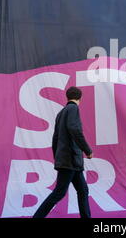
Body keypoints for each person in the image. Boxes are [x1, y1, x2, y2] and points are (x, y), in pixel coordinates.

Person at [33, 87, 93, 218]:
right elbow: (75, 129)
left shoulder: (61, 113)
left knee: (83, 190)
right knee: (59, 192)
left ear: (68, 97)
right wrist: (87, 150)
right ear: (80, 98)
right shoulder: (73, 109)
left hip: (70, 161)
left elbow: (55, 139)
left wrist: (57, 158)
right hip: (70, 160)